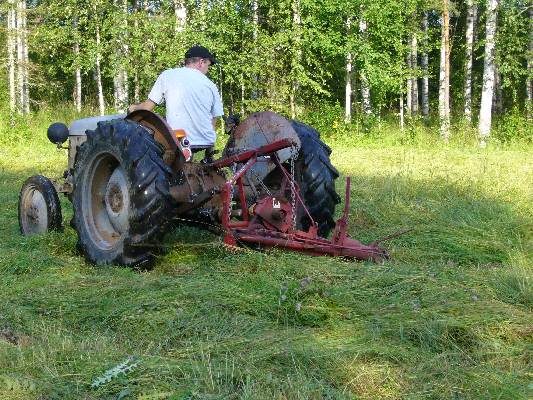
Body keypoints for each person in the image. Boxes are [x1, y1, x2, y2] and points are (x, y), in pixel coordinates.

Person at [128, 45, 224, 151]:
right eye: (208, 65)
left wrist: (133, 108)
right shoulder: (211, 85)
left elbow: (147, 108)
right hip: (206, 142)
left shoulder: (168, 75)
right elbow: (213, 121)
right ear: (201, 62)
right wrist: (209, 149)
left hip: (179, 141)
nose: (207, 69)